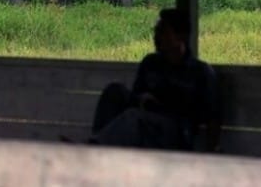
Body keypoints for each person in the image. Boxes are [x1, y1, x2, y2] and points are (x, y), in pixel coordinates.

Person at [90, 8, 221, 152]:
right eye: (156, 31)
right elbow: (134, 97)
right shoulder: (150, 63)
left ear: (180, 37)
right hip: (146, 125)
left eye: (163, 32)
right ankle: (98, 142)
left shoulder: (200, 72)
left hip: (175, 133)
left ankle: (93, 149)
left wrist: (211, 151)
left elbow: (212, 116)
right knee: (114, 92)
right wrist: (143, 99)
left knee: (133, 118)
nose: (157, 37)